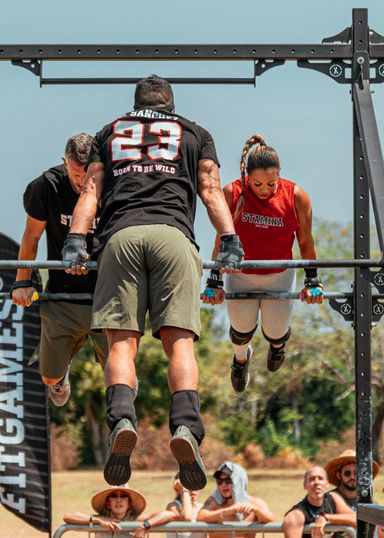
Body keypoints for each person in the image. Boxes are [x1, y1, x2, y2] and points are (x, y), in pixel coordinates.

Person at [61, 75, 243, 489]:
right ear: (170, 103)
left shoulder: (109, 132)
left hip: (121, 237)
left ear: (135, 103)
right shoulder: (196, 132)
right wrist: (230, 239)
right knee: (178, 342)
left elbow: (90, 190)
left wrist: (74, 239)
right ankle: (185, 428)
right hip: (174, 237)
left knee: (122, 342)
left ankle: (122, 418)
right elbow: (212, 190)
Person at [202, 134, 324, 392]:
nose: (265, 190)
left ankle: (277, 347)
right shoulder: (233, 193)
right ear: (247, 177)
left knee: (275, 332)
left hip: (279, 275)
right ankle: (240, 359)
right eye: (258, 184)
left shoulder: (296, 196)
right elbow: (221, 240)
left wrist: (312, 280)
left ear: (279, 175)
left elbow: (305, 242)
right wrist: (214, 280)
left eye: (272, 183)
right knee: (241, 330)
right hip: (241, 274)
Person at [11, 133, 109, 406]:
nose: (81, 183)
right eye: (75, 175)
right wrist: (22, 282)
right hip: (63, 294)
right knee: (49, 376)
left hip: (105, 294)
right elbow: (31, 237)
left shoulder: (114, 185)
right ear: (64, 164)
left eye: (86, 176)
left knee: (119, 376)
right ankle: (59, 378)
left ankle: (121, 407)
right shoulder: (45, 187)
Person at [63, 484, 173, 538]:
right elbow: (68, 516)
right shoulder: (101, 519)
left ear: (129, 503)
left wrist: (145, 526)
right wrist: (97, 521)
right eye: (114, 496)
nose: (119, 500)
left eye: (124, 496)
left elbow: (169, 514)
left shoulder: (137, 520)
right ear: (108, 503)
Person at [198, 461, 274, 538]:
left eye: (228, 480)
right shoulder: (215, 501)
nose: (224, 485)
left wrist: (256, 510)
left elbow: (272, 521)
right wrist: (226, 511)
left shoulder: (254, 503)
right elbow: (200, 518)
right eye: (220, 481)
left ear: (239, 481)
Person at [283, 465, 356, 538]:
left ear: (327, 484)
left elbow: (355, 518)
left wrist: (326, 517)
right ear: (305, 485)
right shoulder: (295, 516)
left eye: (320, 478)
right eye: (312, 479)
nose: (317, 482)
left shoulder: (332, 498)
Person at [324, 449, 379, 538]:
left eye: (356, 473)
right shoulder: (328, 499)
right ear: (339, 475)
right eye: (347, 473)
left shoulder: (369, 501)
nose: (352, 477)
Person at [165, 473, 205, 538]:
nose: (193, 489)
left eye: (196, 484)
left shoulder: (201, 507)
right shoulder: (173, 506)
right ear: (178, 489)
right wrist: (184, 490)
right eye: (188, 485)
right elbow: (187, 517)